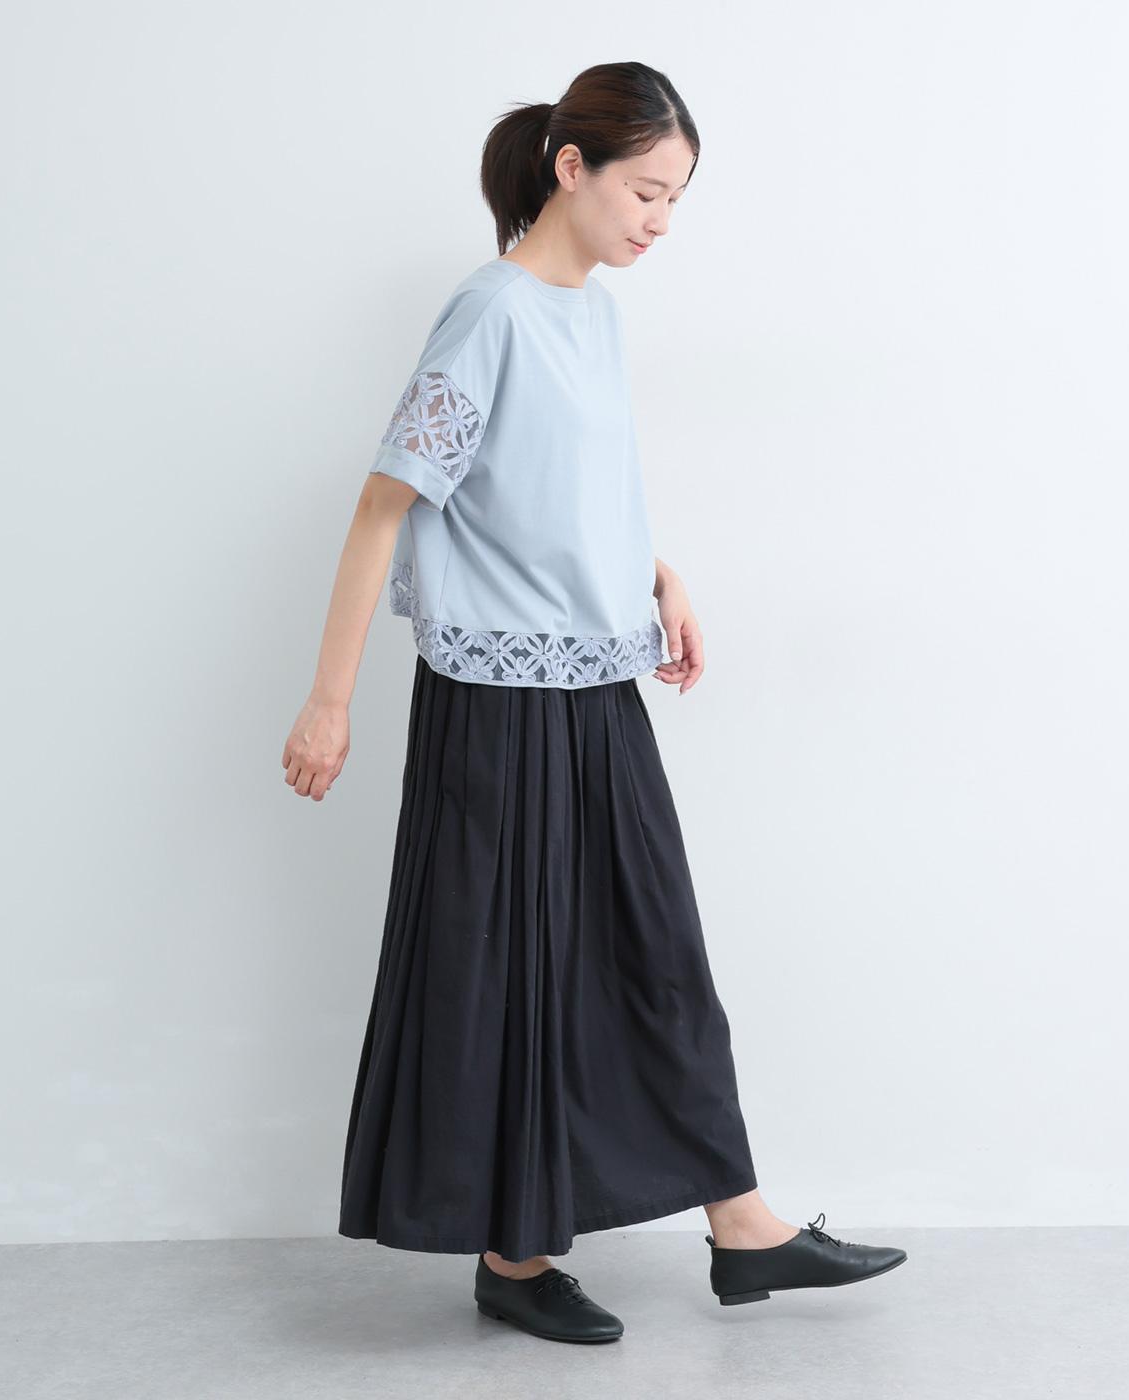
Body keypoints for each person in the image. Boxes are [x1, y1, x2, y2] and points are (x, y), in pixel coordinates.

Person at [282, 60, 907, 1345]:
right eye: (647, 191)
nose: (660, 221)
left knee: (653, 951)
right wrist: (328, 701)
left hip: (595, 684)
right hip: (496, 703)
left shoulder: (594, 316)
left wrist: (658, 575)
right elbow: (385, 504)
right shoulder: (490, 313)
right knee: (512, 969)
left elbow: (565, 490)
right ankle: (516, 1256)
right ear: (572, 168)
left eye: (677, 199)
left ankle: (743, 1226)